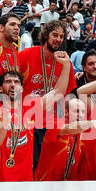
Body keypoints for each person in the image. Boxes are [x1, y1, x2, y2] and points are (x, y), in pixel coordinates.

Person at [0, 42, 71, 182]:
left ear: (21, 89)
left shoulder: (29, 108)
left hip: (24, 182)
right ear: (0, 89)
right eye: (8, 81)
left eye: (17, 82)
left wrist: (66, 65)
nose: (13, 84)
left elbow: (58, 92)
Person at [17, 20, 77, 170]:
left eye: (61, 36)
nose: (58, 39)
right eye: (54, 35)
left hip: (53, 124)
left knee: (48, 170)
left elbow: (68, 94)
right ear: (46, 35)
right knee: (29, 169)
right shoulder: (26, 55)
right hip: (28, 121)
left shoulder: (65, 62)